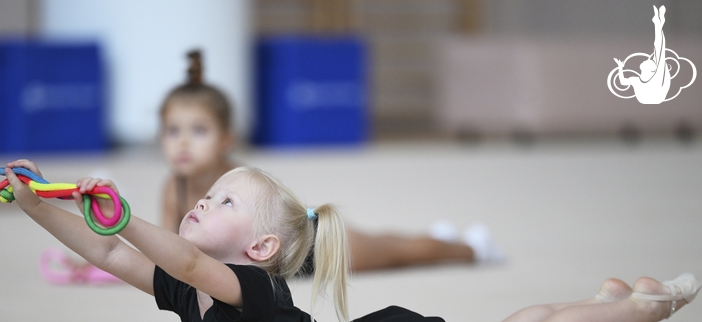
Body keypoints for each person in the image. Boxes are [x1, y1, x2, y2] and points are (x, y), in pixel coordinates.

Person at [2, 159, 700, 322]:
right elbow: (106, 253)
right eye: (207, 196)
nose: (201, 203)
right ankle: (602, 301)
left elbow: (176, 259)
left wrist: (125, 216)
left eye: (222, 202)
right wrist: (38, 204)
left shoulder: (253, 292)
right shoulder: (192, 292)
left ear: (260, 248)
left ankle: (644, 305)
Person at [158, 50, 504, 273]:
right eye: (173, 131)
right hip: (267, 265)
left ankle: (470, 248)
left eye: (198, 131)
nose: (183, 143)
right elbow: (168, 248)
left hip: (310, 246)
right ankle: (436, 236)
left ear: (225, 140)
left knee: (398, 253)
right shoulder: (174, 189)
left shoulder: (235, 179)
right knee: (392, 245)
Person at [614, 5, 671, 104]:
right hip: (650, 97)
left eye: (649, 61)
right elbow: (623, 82)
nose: (647, 59)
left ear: (651, 69)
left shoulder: (655, 78)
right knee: (659, 51)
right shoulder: (637, 80)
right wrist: (620, 67)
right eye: (650, 61)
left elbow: (660, 50)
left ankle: (658, 24)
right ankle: (658, 23)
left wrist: (658, 26)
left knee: (659, 51)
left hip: (655, 96)